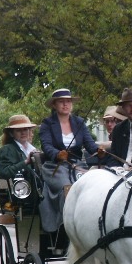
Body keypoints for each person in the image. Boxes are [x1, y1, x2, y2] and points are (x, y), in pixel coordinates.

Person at [39, 88, 103, 233]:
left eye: (68, 101)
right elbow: (46, 145)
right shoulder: (47, 124)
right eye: (61, 102)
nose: (65, 104)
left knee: (91, 187)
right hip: (55, 167)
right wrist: (57, 154)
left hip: (77, 165)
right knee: (67, 188)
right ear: (54, 105)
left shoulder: (79, 122)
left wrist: (98, 151)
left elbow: (90, 144)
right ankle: (65, 225)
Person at [0, 114, 38, 179]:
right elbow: (3, 173)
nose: (23, 133)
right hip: (20, 188)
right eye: (18, 130)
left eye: (25, 129)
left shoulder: (33, 149)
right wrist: (26, 162)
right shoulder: (6, 150)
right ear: (11, 133)